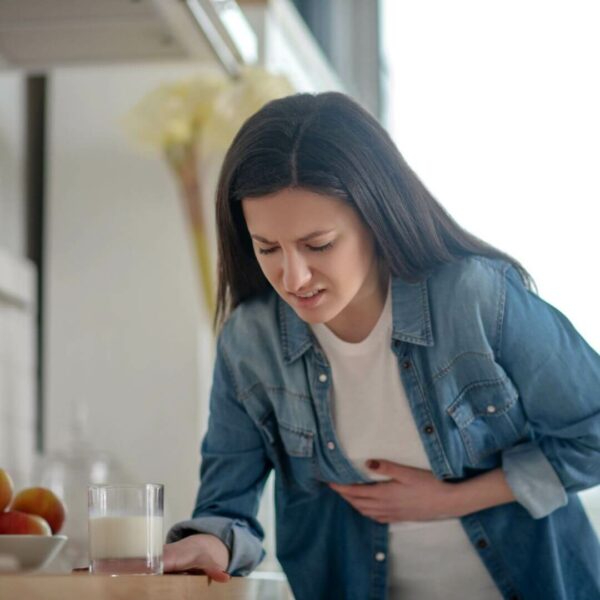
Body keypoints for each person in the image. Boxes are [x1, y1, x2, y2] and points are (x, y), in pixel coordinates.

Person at [162, 92, 600, 599]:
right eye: (268, 248)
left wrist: (453, 499)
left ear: (375, 216)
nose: (294, 275)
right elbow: (227, 509)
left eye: (318, 244)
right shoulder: (250, 342)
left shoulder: (473, 298)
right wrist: (207, 547)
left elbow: (592, 434)